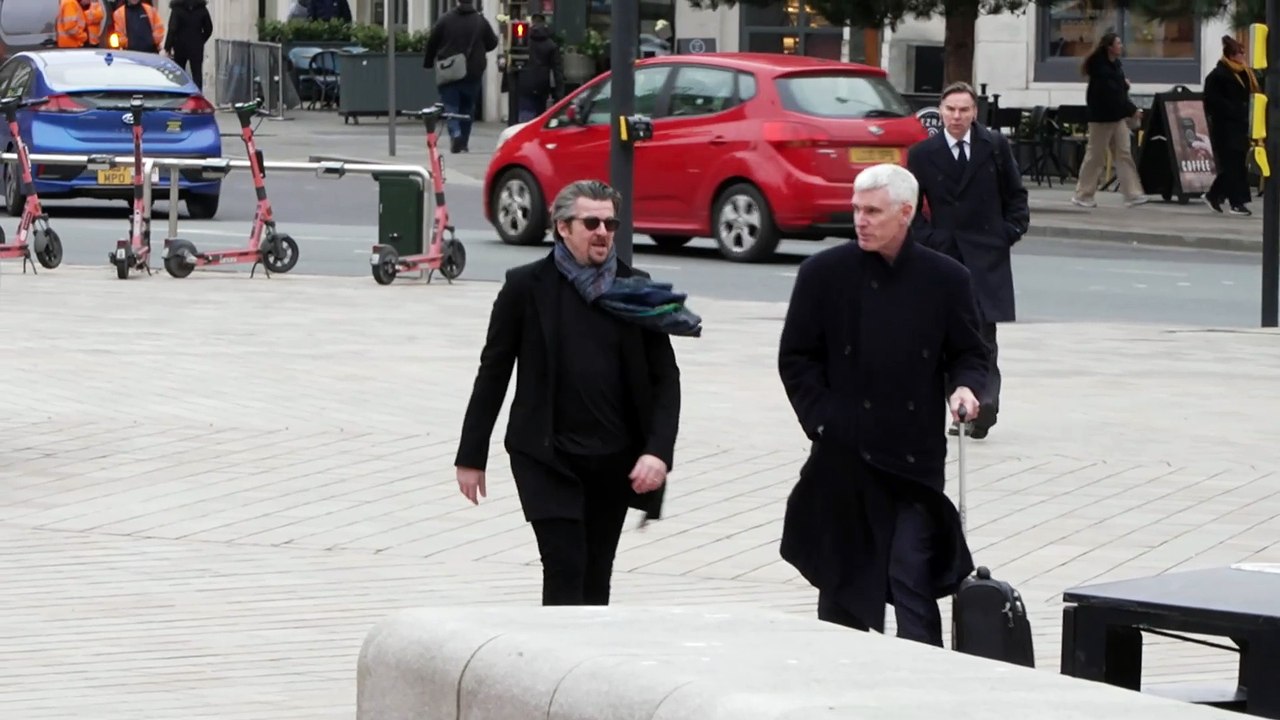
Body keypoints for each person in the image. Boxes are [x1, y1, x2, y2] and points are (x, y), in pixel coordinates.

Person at [454, 179, 702, 606]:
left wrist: (657, 452)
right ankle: (553, 667)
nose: (603, 232)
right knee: (565, 567)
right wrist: (471, 456)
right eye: (592, 222)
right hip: (546, 458)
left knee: (595, 576)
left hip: (613, 462)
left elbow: (666, 381)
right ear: (563, 227)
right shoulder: (526, 287)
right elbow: (493, 372)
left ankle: (585, 666)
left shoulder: (634, 288)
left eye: (610, 223)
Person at [777, 162, 989, 647]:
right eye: (856, 209)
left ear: (905, 213)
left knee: (911, 574)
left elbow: (970, 352)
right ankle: (840, 681)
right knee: (843, 582)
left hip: (912, 461)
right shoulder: (823, 275)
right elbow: (797, 359)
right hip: (844, 454)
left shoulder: (945, 279)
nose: (861, 220)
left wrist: (966, 388)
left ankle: (925, 685)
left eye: (873, 211)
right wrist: (825, 421)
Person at [906, 81, 1029, 440]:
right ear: (940, 113)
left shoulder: (994, 146)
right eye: (950, 110)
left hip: (987, 254)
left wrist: (1009, 231)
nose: (957, 116)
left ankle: (984, 403)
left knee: (983, 335)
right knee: (945, 335)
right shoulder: (923, 154)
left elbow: (1015, 194)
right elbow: (910, 206)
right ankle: (960, 405)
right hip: (944, 255)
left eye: (964, 110)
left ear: (975, 112)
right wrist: (928, 240)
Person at [1071, 32, 1149, 209]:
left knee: (1124, 154)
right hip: (1101, 119)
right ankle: (1083, 194)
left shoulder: (1115, 66)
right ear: (1109, 47)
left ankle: (1133, 193)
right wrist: (1132, 110)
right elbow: (1112, 94)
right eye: (1118, 43)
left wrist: (1124, 89)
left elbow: (1118, 90)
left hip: (1116, 117)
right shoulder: (1102, 70)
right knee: (1095, 156)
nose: (1121, 46)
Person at [423, 0, 499, 154]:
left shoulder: (445, 19)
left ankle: (455, 133)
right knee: (468, 108)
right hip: (473, 71)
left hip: (450, 70)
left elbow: (432, 42)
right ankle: (463, 142)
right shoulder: (480, 20)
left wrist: (428, 63)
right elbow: (492, 43)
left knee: (451, 105)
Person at [1203, 34, 1259, 217]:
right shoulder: (1218, 75)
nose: (1243, 57)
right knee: (1233, 165)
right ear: (1230, 56)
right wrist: (1234, 110)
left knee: (1235, 165)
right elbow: (1212, 101)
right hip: (1225, 128)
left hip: (1241, 126)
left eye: (1243, 53)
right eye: (1239, 54)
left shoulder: (1245, 73)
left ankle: (1214, 194)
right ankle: (1237, 203)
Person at [514, 14, 564, 122]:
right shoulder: (551, 45)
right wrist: (559, 94)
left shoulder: (524, 42)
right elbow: (557, 70)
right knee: (540, 116)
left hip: (525, 82)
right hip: (542, 84)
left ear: (532, 23)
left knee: (525, 115)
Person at [164, 0, 213, 90]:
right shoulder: (202, 9)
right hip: (196, 46)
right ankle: (197, 95)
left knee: (179, 73)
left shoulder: (177, 8)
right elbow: (209, 28)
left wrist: (167, 47)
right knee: (197, 74)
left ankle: (180, 93)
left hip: (180, 45)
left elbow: (172, 29)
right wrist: (201, 40)